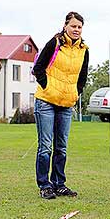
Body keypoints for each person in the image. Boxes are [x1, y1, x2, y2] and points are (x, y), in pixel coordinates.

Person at [32, 12, 89, 199]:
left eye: (79, 27)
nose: (76, 30)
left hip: (66, 104)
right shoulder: (54, 43)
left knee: (61, 147)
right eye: (73, 26)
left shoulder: (84, 50)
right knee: (45, 146)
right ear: (65, 26)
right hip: (46, 101)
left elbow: (82, 76)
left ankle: (59, 184)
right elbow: (37, 68)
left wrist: (76, 92)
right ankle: (44, 185)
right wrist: (47, 86)